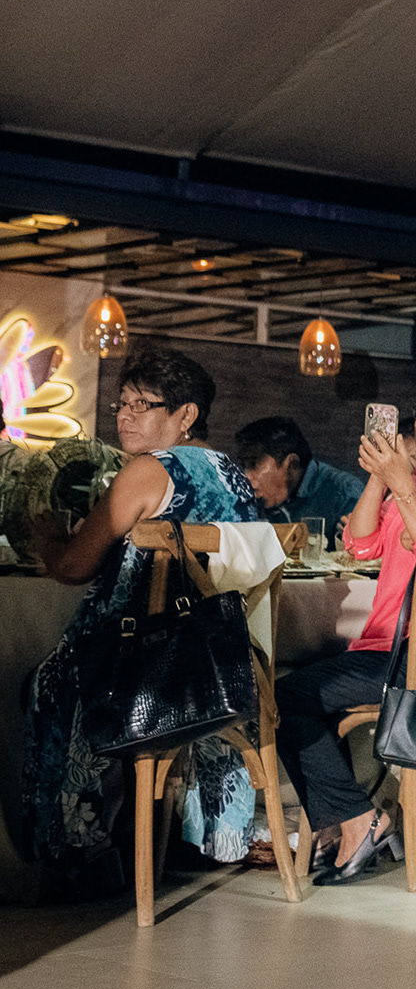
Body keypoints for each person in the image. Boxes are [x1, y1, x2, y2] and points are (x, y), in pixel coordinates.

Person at [24, 349, 264, 892]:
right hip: (218, 666)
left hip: (145, 666)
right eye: (122, 404)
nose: (126, 416)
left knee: (46, 680)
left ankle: (83, 848)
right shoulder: (232, 474)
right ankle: (181, 835)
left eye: (143, 404)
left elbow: (72, 567)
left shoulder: (147, 471)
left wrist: (48, 537)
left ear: (186, 415)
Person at [274, 369, 416, 886]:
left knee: (288, 698)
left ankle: (357, 821)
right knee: (289, 693)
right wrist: (382, 477)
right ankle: (347, 821)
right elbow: (360, 546)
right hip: (391, 648)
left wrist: (402, 484)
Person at [233, 415, 365, 544]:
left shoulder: (345, 493)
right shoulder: (252, 500)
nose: (246, 477)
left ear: (292, 464)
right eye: (244, 466)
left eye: (253, 465)